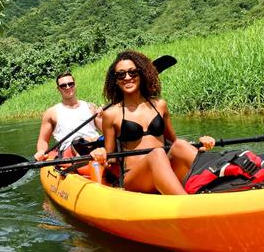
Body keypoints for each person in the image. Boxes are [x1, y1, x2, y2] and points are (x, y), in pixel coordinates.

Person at [90, 50, 215, 195]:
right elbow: (111, 159)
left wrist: (200, 146)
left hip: (165, 168)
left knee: (180, 145)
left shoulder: (160, 105)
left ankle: (227, 180)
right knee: (157, 154)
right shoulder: (111, 114)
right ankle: (188, 205)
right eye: (121, 74)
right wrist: (101, 153)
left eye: (132, 72)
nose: (127, 77)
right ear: (116, 80)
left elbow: (174, 143)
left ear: (141, 75)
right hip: (135, 178)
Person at [34, 71, 102, 161]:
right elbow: (43, 140)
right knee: (79, 142)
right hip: (71, 150)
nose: (68, 87)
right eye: (63, 85)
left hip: (95, 144)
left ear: (75, 85)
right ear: (58, 89)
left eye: (70, 84)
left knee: (103, 139)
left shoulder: (90, 107)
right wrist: (41, 151)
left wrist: (103, 117)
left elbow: (106, 130)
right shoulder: (51, 113)